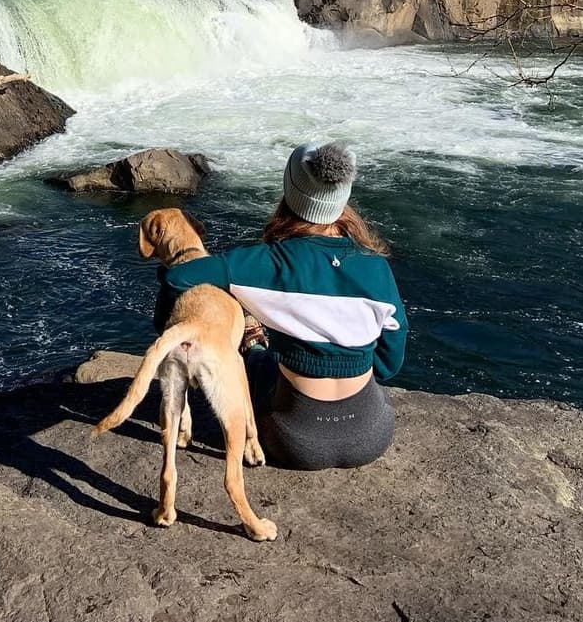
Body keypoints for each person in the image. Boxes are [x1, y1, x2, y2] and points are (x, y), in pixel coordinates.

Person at [154, 141, 406, 470]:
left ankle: (256, 340)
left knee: (257, 359)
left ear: (290, 192)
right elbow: (388, 365)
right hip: (371, 435)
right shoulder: (376, 267)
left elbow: (178, 278)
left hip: (292, 440)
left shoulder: (262, 263)